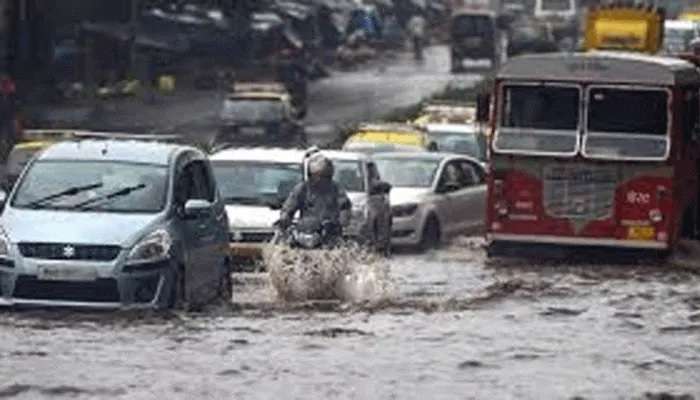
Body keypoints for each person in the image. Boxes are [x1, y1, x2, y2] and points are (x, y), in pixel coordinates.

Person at [279, 154, 351, 238]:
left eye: (323, 176)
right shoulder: (302, 188)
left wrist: (343, 219)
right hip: (305, 232)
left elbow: (344, 206)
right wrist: (285, 217)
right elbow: (290, 205)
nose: (319, 179)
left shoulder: (336, 189)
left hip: (329, 234)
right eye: (315, 175)